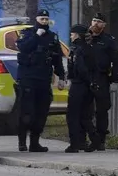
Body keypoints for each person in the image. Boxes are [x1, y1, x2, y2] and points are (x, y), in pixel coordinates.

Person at [14, 9, 66, 152]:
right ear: (36, 19)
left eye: (46, 19)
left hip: (43, 79)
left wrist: (61, 77)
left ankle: (35, 143)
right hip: (28, 79)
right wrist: (36, 36)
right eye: (41, 19)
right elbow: (23, 47)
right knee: (26, 112)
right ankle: (22, 142)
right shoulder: (27, 33)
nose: (44, 22)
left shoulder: (52, 37)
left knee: (41, 112)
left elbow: (57, 59)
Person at [87, 13, 118, 150]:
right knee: (85, 110)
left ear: (104, 25)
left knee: (101, 110)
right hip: (86, 77)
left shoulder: (108, 40)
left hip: (101, 77)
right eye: (94, 20)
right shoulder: (85, 37)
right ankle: (87, 138)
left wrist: (115, 79)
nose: (95, 23)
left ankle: (100, 139)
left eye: (99, 21)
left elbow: (116, 61)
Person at [64, 24, 98, 153]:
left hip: (79, 85)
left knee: (72, 116)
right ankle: (95, 139)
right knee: (85, 116)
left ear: (77, 35)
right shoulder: (89, 48)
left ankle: (74, 144)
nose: (71, 36)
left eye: (72, 34)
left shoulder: (77, 49)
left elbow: (80, 68)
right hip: (89, 86)